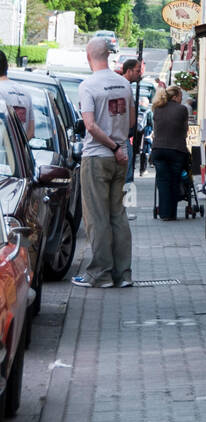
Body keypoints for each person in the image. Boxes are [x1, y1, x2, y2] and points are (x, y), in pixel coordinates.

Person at [73, 38, 134, 289]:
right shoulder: (123, 83)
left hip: (98, 156)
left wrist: (112, 146)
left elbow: (89, 125)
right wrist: (120, 147)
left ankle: (100, 274)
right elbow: (131, 122)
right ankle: (123, 274)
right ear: (107, 56)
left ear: (89, 56)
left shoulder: (88, 86)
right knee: (117, 214)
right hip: (120, 159)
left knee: (96, 216)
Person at [151, 85, 189, 221]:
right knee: (174, 179)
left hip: (158, 150)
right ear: (175, 96)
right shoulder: (182, 109)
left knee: (162, 181)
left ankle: (165, 213)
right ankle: (171, 213)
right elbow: (185, 130)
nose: (181, 99)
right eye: (180, 96)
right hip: (176, 150)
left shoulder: (157, 109)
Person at [120, 57, 143, 191]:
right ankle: (125, 197)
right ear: (128, 71)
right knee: (127, 172)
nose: (139, 74)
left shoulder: (125, 85)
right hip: (122, 136)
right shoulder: (125, 85)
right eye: (137, 71)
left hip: (123, 134)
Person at [0, 50, 35, 140]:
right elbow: (31, 131)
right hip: (20, 152)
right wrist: (19, 150)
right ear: (7, 67)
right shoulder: (25, 92)